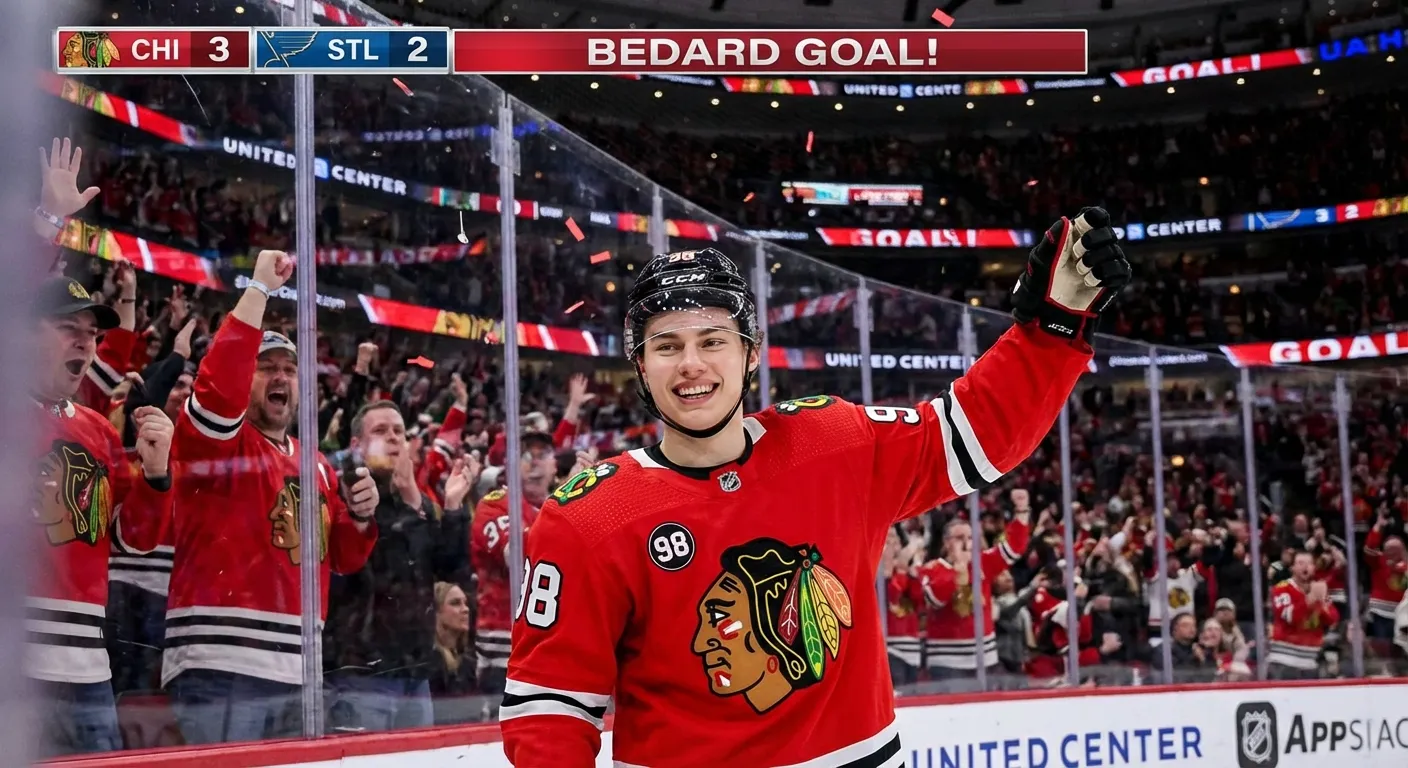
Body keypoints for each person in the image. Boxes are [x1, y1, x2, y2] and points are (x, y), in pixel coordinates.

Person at [500, 208, 1131, 766]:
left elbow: (977, 433)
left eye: (713, 341)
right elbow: (550, 709)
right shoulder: (587, 516)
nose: (691, 363)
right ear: (639, 364)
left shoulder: (833, 443)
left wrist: (1050, 324)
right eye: (666, 346)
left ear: (751, 355)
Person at [162, 249, 380, 745]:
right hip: (220, 662)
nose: (281, 376)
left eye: (289, 368)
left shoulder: (317, 463)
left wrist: (363, 517)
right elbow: (218, 391)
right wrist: (258, 290)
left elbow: (343, 557)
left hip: (300, 670)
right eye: (266, 367)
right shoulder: (219, 439)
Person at [27, 275, 176, 756]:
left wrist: (155, 477)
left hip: (89, 669)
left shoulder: (99, 432)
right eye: (69, 326)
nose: (85, 342)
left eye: (92, 334)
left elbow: (131, 540)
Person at [323, 396, 464, 733]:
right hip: (361, 677)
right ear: (356, 445)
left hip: (414, 675)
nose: (393, 439)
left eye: (399, 432)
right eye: (381, 431)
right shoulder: (345, 494)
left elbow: (448, 571)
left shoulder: (414, 501)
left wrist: (454, 507)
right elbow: (365, 561)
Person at [471, 427, 557, 704]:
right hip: (505, 652)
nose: (534, 462)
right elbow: (521, 558)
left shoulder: (557, 506)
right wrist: (572, 510)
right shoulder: (494, 505)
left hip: (556, 648)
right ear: (509, 464)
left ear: (555, 464)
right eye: (525, 455)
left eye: (542, 454)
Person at [1266, 549, 1339, 680]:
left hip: (1310, 662)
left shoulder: (1317, 589)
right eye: (1300, 563)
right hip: (1284, 661)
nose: (1305, 567)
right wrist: (1311, 598)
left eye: (1309, 563)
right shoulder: (1282, 588)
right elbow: (1290, 617)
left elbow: (1332, 619)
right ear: (1292, 567)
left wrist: (1322, 602)